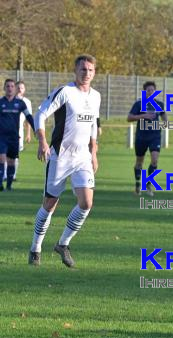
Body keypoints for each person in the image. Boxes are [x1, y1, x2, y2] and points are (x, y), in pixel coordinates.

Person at [29, 54, 101, 268]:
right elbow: (40, 114)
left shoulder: (96, 96)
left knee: (86, 203)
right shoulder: (65, 92)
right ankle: (35, 248)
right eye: (82, 69)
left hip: (83, 158)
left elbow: (93, 125)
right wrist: (42, 141)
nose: (86, 73)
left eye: (90, 70)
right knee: (50, 204)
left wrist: (94, 152)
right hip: (60, 156)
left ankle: (63, 244)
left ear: (94, 72)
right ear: (75, 71)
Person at [127, 81, 167, 196]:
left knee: (154, 160)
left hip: (155, 136)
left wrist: (166, 123)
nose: (151, 92)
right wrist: (143, 116)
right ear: (145, 92)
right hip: (141, 137)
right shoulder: (139, 104)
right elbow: (129, 118)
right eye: (148, 90)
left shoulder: (159, 104)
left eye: (152, 90)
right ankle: (137, 184)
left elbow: (164, 115)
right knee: (139, 162)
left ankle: (148, 184)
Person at [0, 79, 35, 191]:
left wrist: (36, 129)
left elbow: (28, 116)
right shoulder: (1, 102)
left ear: (14, 89)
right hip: (2, 137)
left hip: (14, 137)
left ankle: (9, 186)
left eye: (11, 86)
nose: (10, 88)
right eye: (7, 86)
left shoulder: (20, 103)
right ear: (4, 88)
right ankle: (0, 185)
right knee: (1, 159)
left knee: (11, 161)